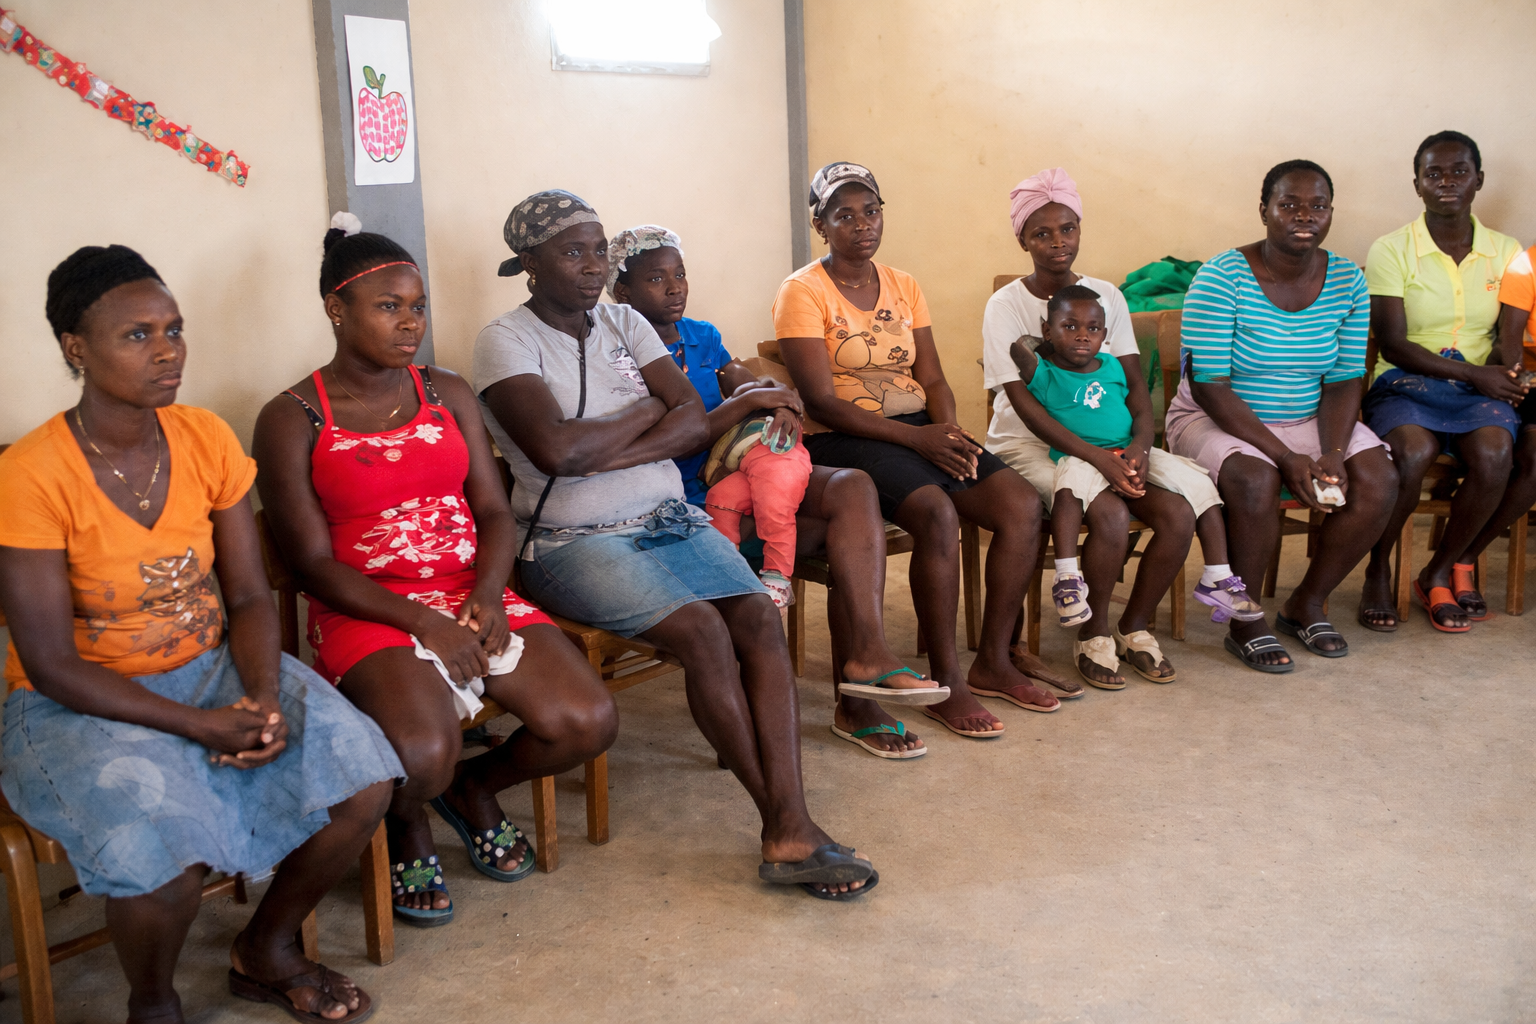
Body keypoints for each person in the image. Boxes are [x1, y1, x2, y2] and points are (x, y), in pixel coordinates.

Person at [0, 245, 400, 1023]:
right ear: (76, 349)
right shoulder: (32, 472)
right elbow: (49, 663)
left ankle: (268, 948)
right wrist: (199, 725)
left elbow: (247, 595)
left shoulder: (205, 437)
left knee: (363, 779)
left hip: (214, 668)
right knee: (164, 860)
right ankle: (153, 1003)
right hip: (78, 701)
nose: (168, 351)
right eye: (137, 335)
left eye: (174, 330)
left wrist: (261, 696)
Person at [475, 191, 875, 898]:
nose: (593, 266)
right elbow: (555, 452)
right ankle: (785, 824)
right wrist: (646, 411)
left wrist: (608, 441)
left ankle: (791, 818)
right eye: (573, 252)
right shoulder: (505, 340)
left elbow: (693, 421)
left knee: (757, 618)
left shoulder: (625, 320)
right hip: (570, 542)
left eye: (598, 250)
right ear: (531, 263)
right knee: (702, 632)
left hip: (669, 518)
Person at [253, 216, 617, 928]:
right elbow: (311, 564)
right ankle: (408, 822)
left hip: (468, 591)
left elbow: (495, 511)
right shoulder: (293, 417)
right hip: (368, 608)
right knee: (423, 754)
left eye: (417, 306)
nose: (410, 322)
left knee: (587, 721)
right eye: (389, 306)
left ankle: (472, 789)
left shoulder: (446, 391)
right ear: (336, 310)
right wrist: (424, 622)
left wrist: (488, 596)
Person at [608, 224, 946, 759]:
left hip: (739, 477)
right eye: (656, 279)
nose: (675, 287)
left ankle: (868, 657)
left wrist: (781, 402)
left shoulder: (700, 335)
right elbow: (674, 436)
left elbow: (747, 383)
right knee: (846, 539)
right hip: (684, 506)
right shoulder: (616, 352)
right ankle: (854, 706)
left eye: (680, 274)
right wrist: (747, 405)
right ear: (622, 292)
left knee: (852, 488)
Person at [774, 161, 1066, 737]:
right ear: (820, 225)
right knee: (936, 512)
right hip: (844, 437)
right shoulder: (801, 291)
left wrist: (948, 433)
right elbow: (821, 402)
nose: (862, 224)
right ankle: (947, 681)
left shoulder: (904, 285)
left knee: (1020, 505)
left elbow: (931, 377)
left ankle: (993, 661)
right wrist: (918, 439)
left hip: (920, 427)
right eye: (844, 215)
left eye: (871, 211)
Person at [1166, 159, 1398, 671]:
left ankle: (1306, 603)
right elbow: (1209, 386)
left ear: (1331, 213)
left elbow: (1343, 379)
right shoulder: (1221, 277)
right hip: (1215, 415)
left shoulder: (1347, 280)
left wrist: (1333, 451)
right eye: (1289, 204)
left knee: (1379, 479)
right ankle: (1245, 619)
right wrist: (1285, 457)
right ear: (1264, 211)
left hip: (1307, 415)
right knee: (1256, 480)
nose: (1304, 215)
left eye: (1318, 205)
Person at [1009, 285, 1263, 686]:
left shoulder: (1112, 365)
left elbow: (1138, 409)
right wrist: (1044, 344)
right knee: (1102, 512)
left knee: (1184, 508)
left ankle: (1140, 623)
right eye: (1070, 326)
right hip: (1083, 458)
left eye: (1092, 328)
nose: (1082, 336)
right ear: (1048, 329)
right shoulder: (1047, 373)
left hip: (1128, 451)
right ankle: (1089, 624)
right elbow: (1018, 352)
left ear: (1104, 332)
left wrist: (1140, 450)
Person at [1359, 131, 1529, 631]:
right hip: (1405, 382)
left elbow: (1507, 335)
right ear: (1417, 184)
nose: (1447, 182)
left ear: (1479, 180)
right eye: (1433, 173)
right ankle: (1377, 568)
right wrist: (1476, 373)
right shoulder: (1392, 249)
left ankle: (1438, 570)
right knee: (1412, 453)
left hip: (1477, 389)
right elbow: (1393, 344)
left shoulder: (1506, 250)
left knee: (1496, 453)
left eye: (1459, 172)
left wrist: (1507, 375)